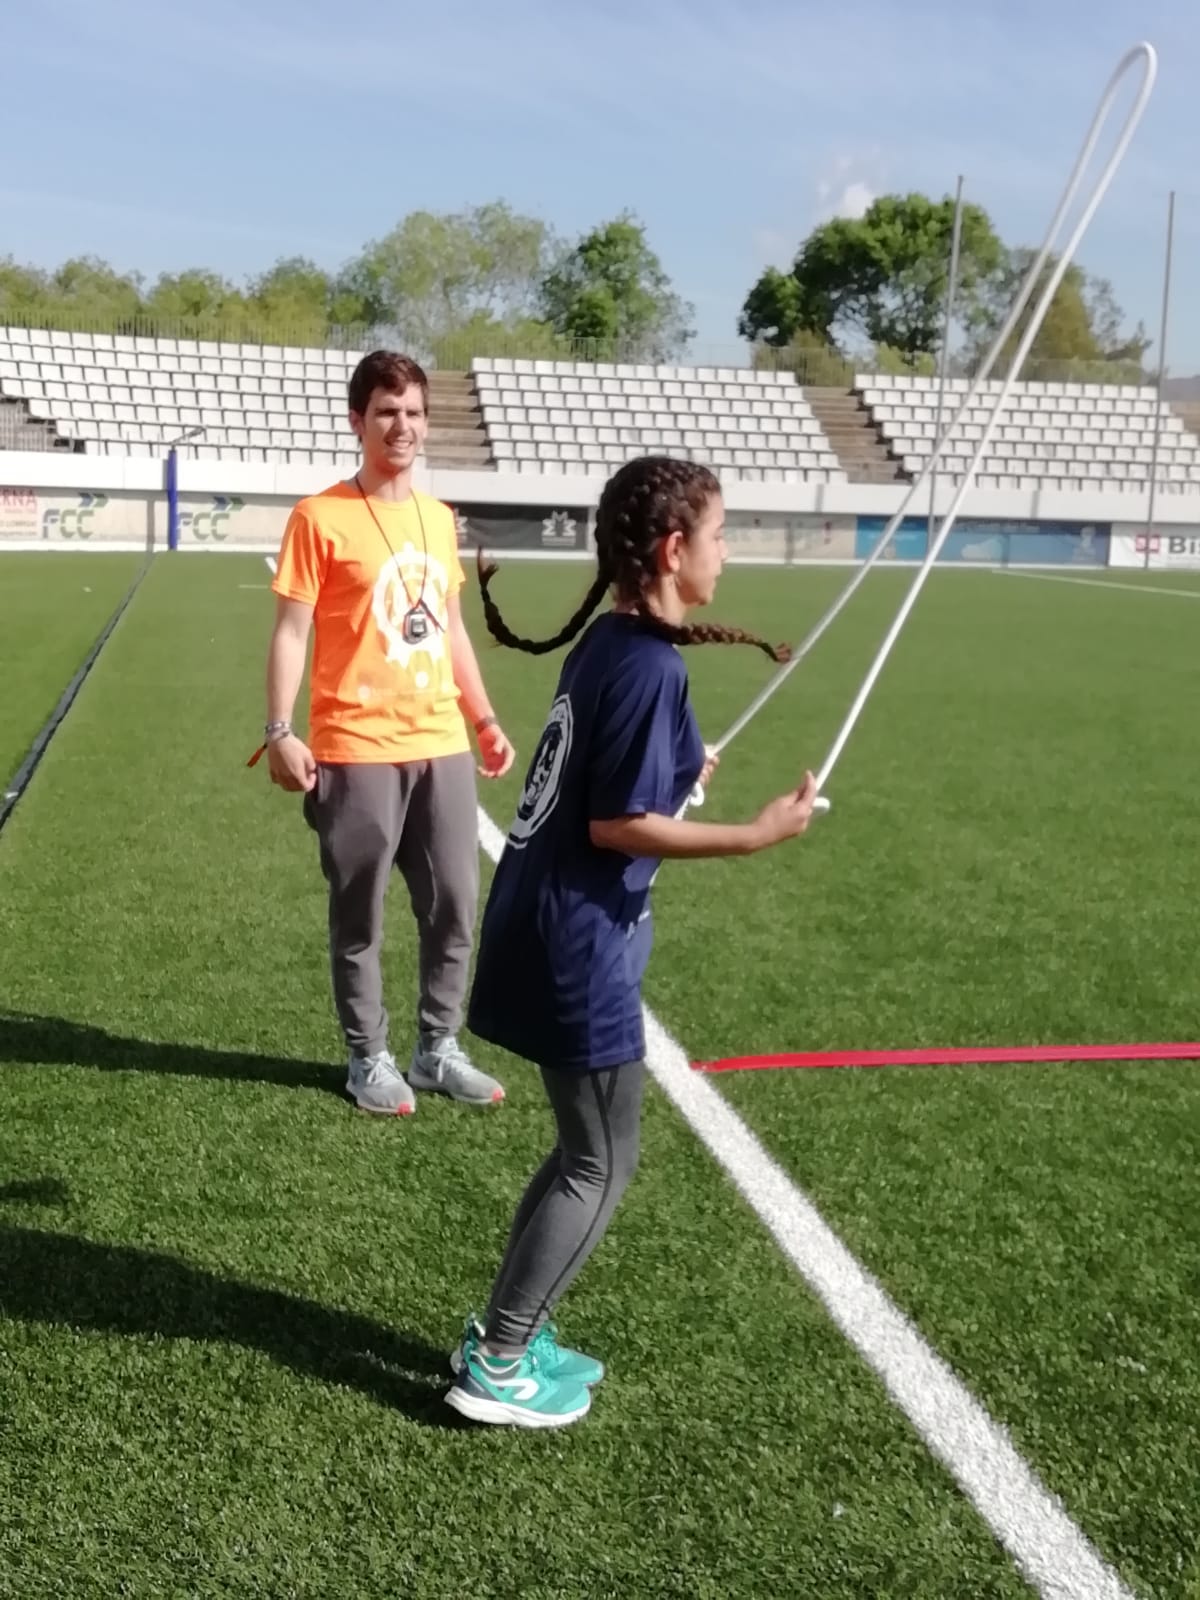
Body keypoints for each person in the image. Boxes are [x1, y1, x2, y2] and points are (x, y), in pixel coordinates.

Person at [443, 454, 819, 1428]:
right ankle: (500, 1360)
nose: (727, 555)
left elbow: (605, 780)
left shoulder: (613, 644)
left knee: (580, 1149)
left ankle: (509, 1331)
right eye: (720, 536)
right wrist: (754, 834)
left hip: (538, 922)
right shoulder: (653, 666)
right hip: (579, 948)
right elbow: (617, 825)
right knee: (600, 1163)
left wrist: (677, 768)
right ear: (673, 549)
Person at [257, 350, 516, 1117]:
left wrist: (484, 717)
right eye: (386, 412)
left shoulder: (438, 518)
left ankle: (437, 1048)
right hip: (356, 745)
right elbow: (291, 631)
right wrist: (280, 730)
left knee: (455, 903)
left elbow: (451, 628)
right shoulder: (320, 516)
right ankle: (367, 1055)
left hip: (441, 741)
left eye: (413, 412)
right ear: (358, 421)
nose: (401, 425)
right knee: (359, 912)